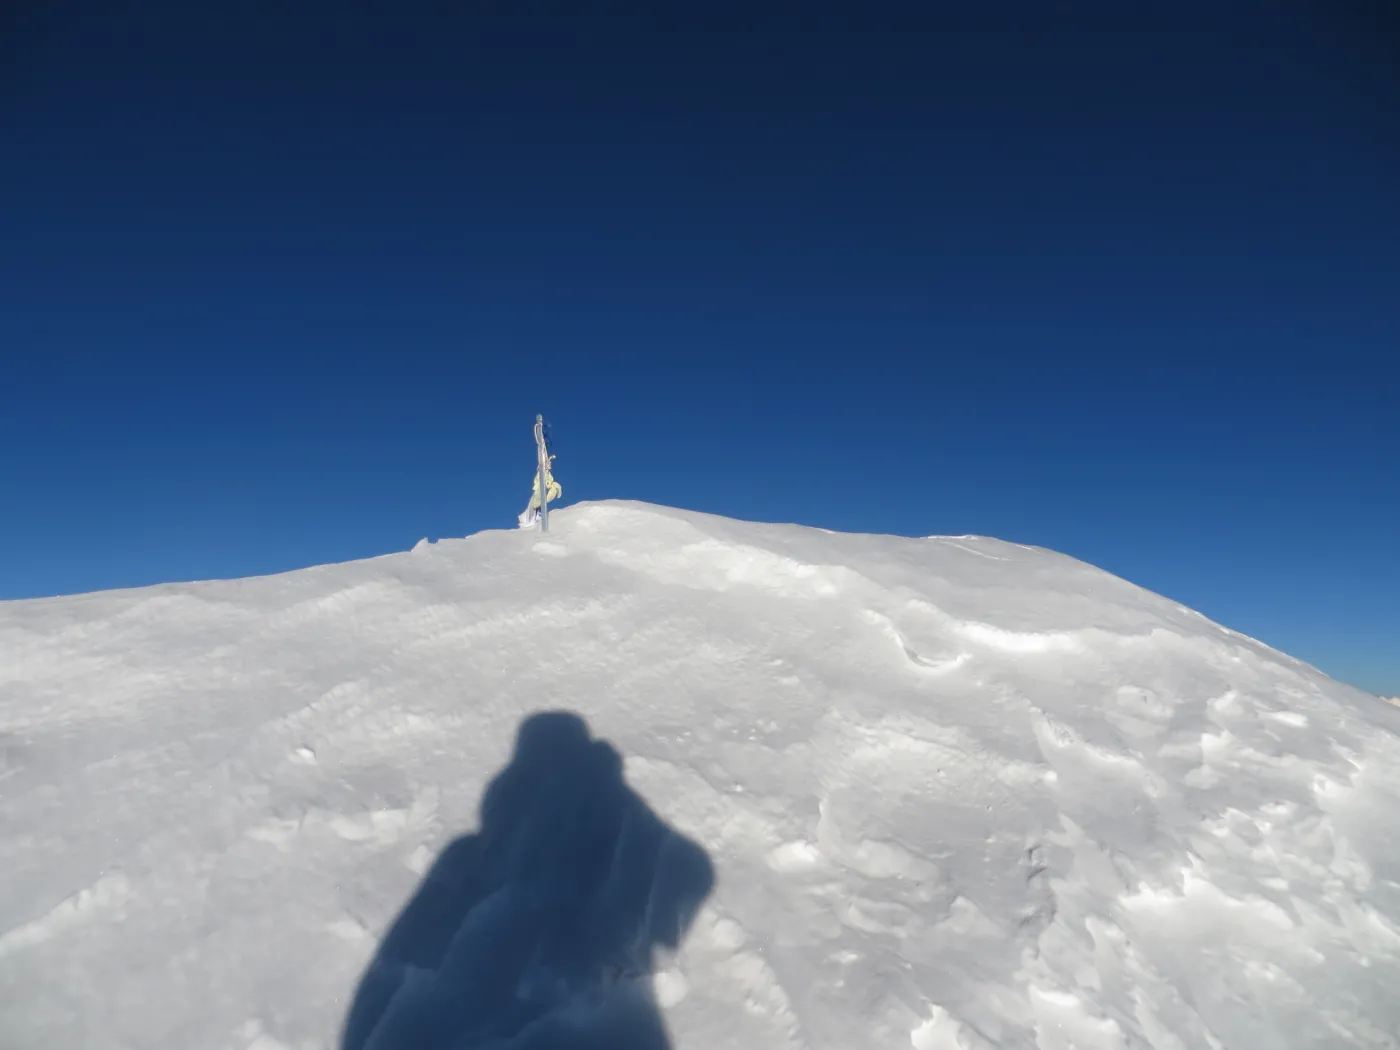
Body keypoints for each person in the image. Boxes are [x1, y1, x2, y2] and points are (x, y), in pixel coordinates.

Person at [517, 453, 561, 528]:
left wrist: (556, 488)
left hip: (544, 494)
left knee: (541, 503)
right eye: (547, 465)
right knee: (535, 505)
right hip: (538, 494)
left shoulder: (549, 475)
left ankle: (538, 515)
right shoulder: (540, 473)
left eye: (549, 465)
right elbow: (538, 480)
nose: (548, 466)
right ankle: (534, 518)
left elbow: (550, 483)